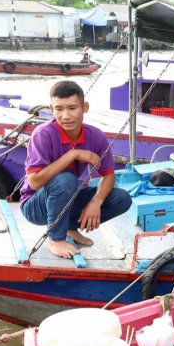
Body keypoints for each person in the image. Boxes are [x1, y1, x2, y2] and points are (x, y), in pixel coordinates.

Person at [19, 80, 133, 259]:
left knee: (122, 198)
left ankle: (70, 226)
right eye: (59, 109)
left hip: (66, 198)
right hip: (35, 204)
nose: (65, 116)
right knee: (66, 179)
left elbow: (108, 176)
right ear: (51, 108)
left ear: (84, 107)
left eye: (72, 108)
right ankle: (55, 238)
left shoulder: (95, 136)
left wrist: (96, 201)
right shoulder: (43, 134)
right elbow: (34, 182)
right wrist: (73, 155)